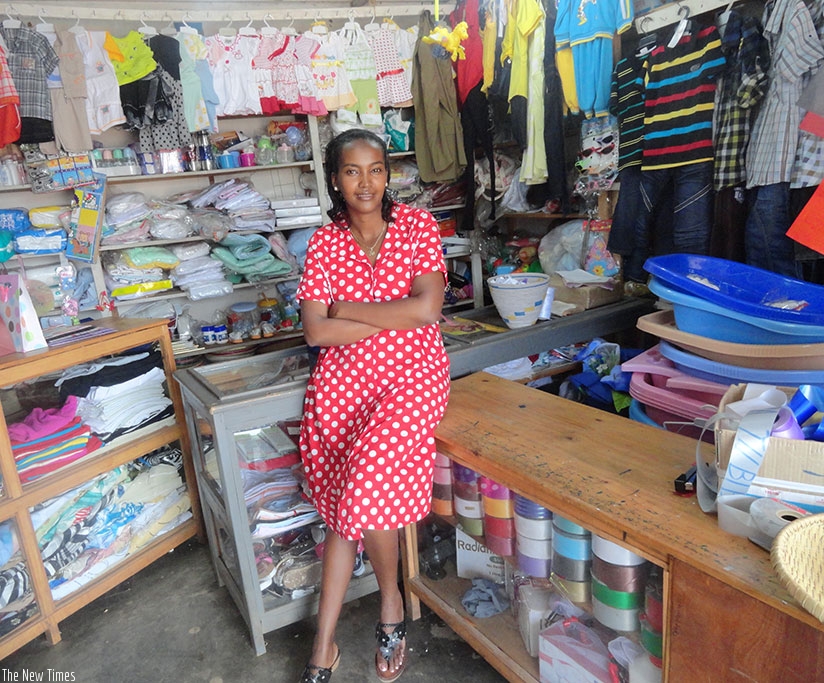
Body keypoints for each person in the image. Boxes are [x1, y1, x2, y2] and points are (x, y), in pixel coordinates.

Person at [296, 128, 451, 683]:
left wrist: (348, 309)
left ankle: (352, 629)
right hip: (343, 387)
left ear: (389, 174)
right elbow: (316, 333)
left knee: (361, 482)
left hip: (412, 378)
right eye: (353, 171)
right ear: (335, 180)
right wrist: (392, 309)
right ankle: (330, 642)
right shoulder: (324, 243)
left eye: (377, 169)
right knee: (349, 504)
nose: (367, 182)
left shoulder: (417, 225)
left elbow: (428, 310)